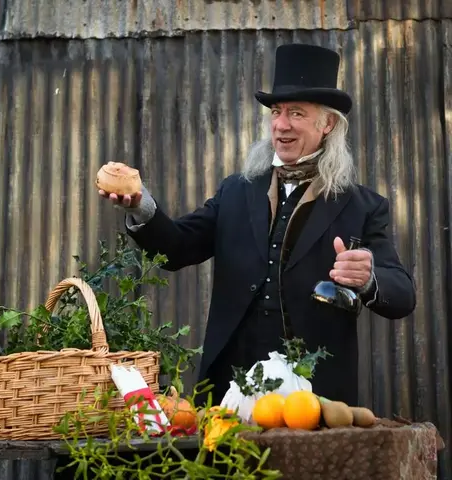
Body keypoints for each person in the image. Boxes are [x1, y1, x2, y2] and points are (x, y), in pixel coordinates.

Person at [99, 44, 416, 407]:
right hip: (231, 385)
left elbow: (402, 296)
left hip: (315, 392)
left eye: (297, 113)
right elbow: (176, 249)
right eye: (277, 112)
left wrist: (369, 277)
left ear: (327, 124)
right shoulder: (237, 190)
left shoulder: (363, 206)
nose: (281, 125)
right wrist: (141, 206)